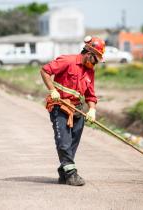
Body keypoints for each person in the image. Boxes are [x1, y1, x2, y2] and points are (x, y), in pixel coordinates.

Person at [40, 36, 106, 186]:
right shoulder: (67, 61)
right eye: (96, 59)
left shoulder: (90, 72)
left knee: (72, 143)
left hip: (77, 110)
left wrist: (92, 110)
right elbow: (44, 71)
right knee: (63, 141)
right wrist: (52, 90)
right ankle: (71, 174)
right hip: (60, 106)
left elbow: (90, 94)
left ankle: (64, 171)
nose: (96, 63)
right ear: (89, 53)